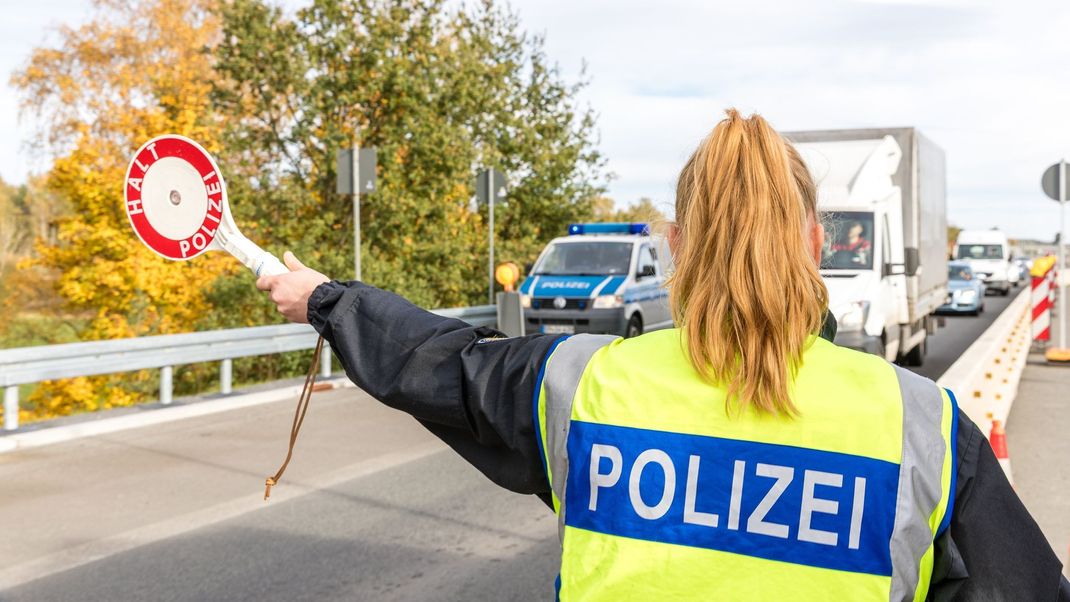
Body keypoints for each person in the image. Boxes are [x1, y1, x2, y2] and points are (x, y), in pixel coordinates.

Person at [257, 110, 1069, 600]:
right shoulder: (922, 426)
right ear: (816, 242)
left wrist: (326, 299)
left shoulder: (582, 385)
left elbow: (440, 363)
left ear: (677, 245)